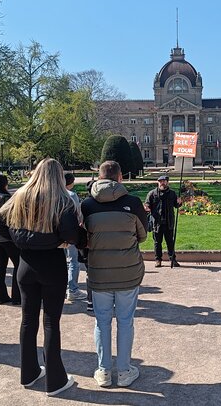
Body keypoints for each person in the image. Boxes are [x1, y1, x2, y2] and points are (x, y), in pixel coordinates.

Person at [0, 158, 85, 396]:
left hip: (26, 264)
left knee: (28, 320)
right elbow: (70, 234)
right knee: (50, 323)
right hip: (52, 264)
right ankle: (55, 381)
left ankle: (29, 372)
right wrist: (55, 240)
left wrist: (20, 239)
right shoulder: (62, 200)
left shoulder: (21, 195)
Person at [81, 160, 148, 388]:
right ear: (120, 177)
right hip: (128, 272)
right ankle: (124, 371)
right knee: (125, 321)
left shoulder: (87, 205)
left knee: (102, 323)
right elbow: (143, 236)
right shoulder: (133, 202)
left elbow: (83, 239)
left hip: (99, 272)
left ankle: (104, 371)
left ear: (99, 177)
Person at [0, 174, 21, 305]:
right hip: (7, 236)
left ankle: (2, 296)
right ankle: (17, 297)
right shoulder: (7, 199)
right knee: (18, 264)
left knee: (1, 265)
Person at [144, 175, 182, 268]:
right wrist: (146, 208)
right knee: (157, 242)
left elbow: (176, 205)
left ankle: (173, 259)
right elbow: (147, 204)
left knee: (170, 242)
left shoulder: (172, 193)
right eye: (160, 181)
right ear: (158, 183)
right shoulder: (152, 193)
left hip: (169, 221)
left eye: (164, 181)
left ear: (167, 182)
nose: (162, 183)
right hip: (156, 222)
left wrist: (179, 202)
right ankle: (158, 260)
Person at [65, 172, 87, 301]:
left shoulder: (54, 194)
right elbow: (79, 215)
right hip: (70, 232)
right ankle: (72, 289)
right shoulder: (72, 195)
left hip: (56, 233)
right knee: (73, 262)